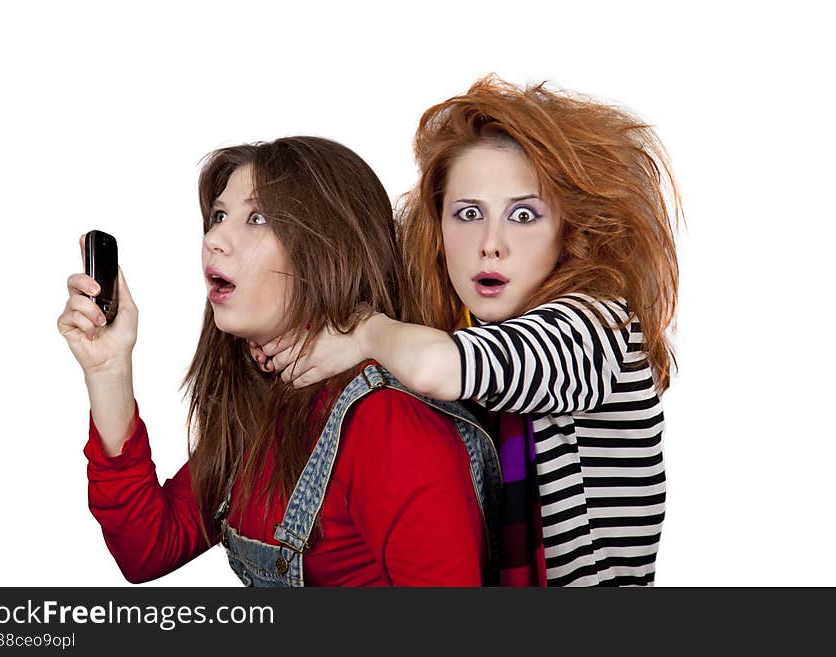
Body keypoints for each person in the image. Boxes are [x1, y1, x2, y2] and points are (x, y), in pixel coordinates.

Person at [258, 77, 680, 587]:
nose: (490, 244)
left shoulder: (599, 327)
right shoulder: (453, 330)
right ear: (437, 227)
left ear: (569, 231)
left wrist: (365, 333)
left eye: (523, 215)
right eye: (469, 214)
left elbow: (442, 365)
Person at [57, 137, 500, 586]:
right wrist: (108, 370)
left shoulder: (388, 424)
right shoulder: (265, 401)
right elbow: (147, 549)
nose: (214, 239)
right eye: (218, 217)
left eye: (257, 218)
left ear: (329, 249)